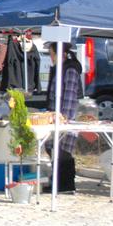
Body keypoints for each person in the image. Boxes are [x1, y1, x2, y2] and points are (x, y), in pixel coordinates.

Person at [44, 43, 84, 194]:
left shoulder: (70, 70)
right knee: (52, 147)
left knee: (64, 151)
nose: (51, 57)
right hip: (55, 116)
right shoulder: (59, 69)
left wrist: (64, 119)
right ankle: (58, 182)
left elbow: (69, 97)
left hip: (67, 118)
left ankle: (65, 185)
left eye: (51, 54)